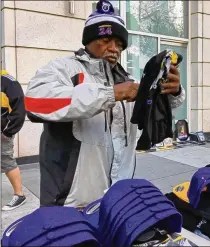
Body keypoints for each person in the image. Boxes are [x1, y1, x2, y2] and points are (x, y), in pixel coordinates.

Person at [24, 0, 185, 208]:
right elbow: (35, 101)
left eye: (119, 44)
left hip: (117, 200)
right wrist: (109, 93)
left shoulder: (127, 78)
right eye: (106, 40)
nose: (114, 48)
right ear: (89, 40)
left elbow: (153, 110)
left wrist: (172, 92)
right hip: (71, 204)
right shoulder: (64, 68)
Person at [1, 70, 27, 211]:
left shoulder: (6, 81)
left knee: (6, 161)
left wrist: (8, 131)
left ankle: (20, 194)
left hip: (2, 133)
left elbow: (19, 108)